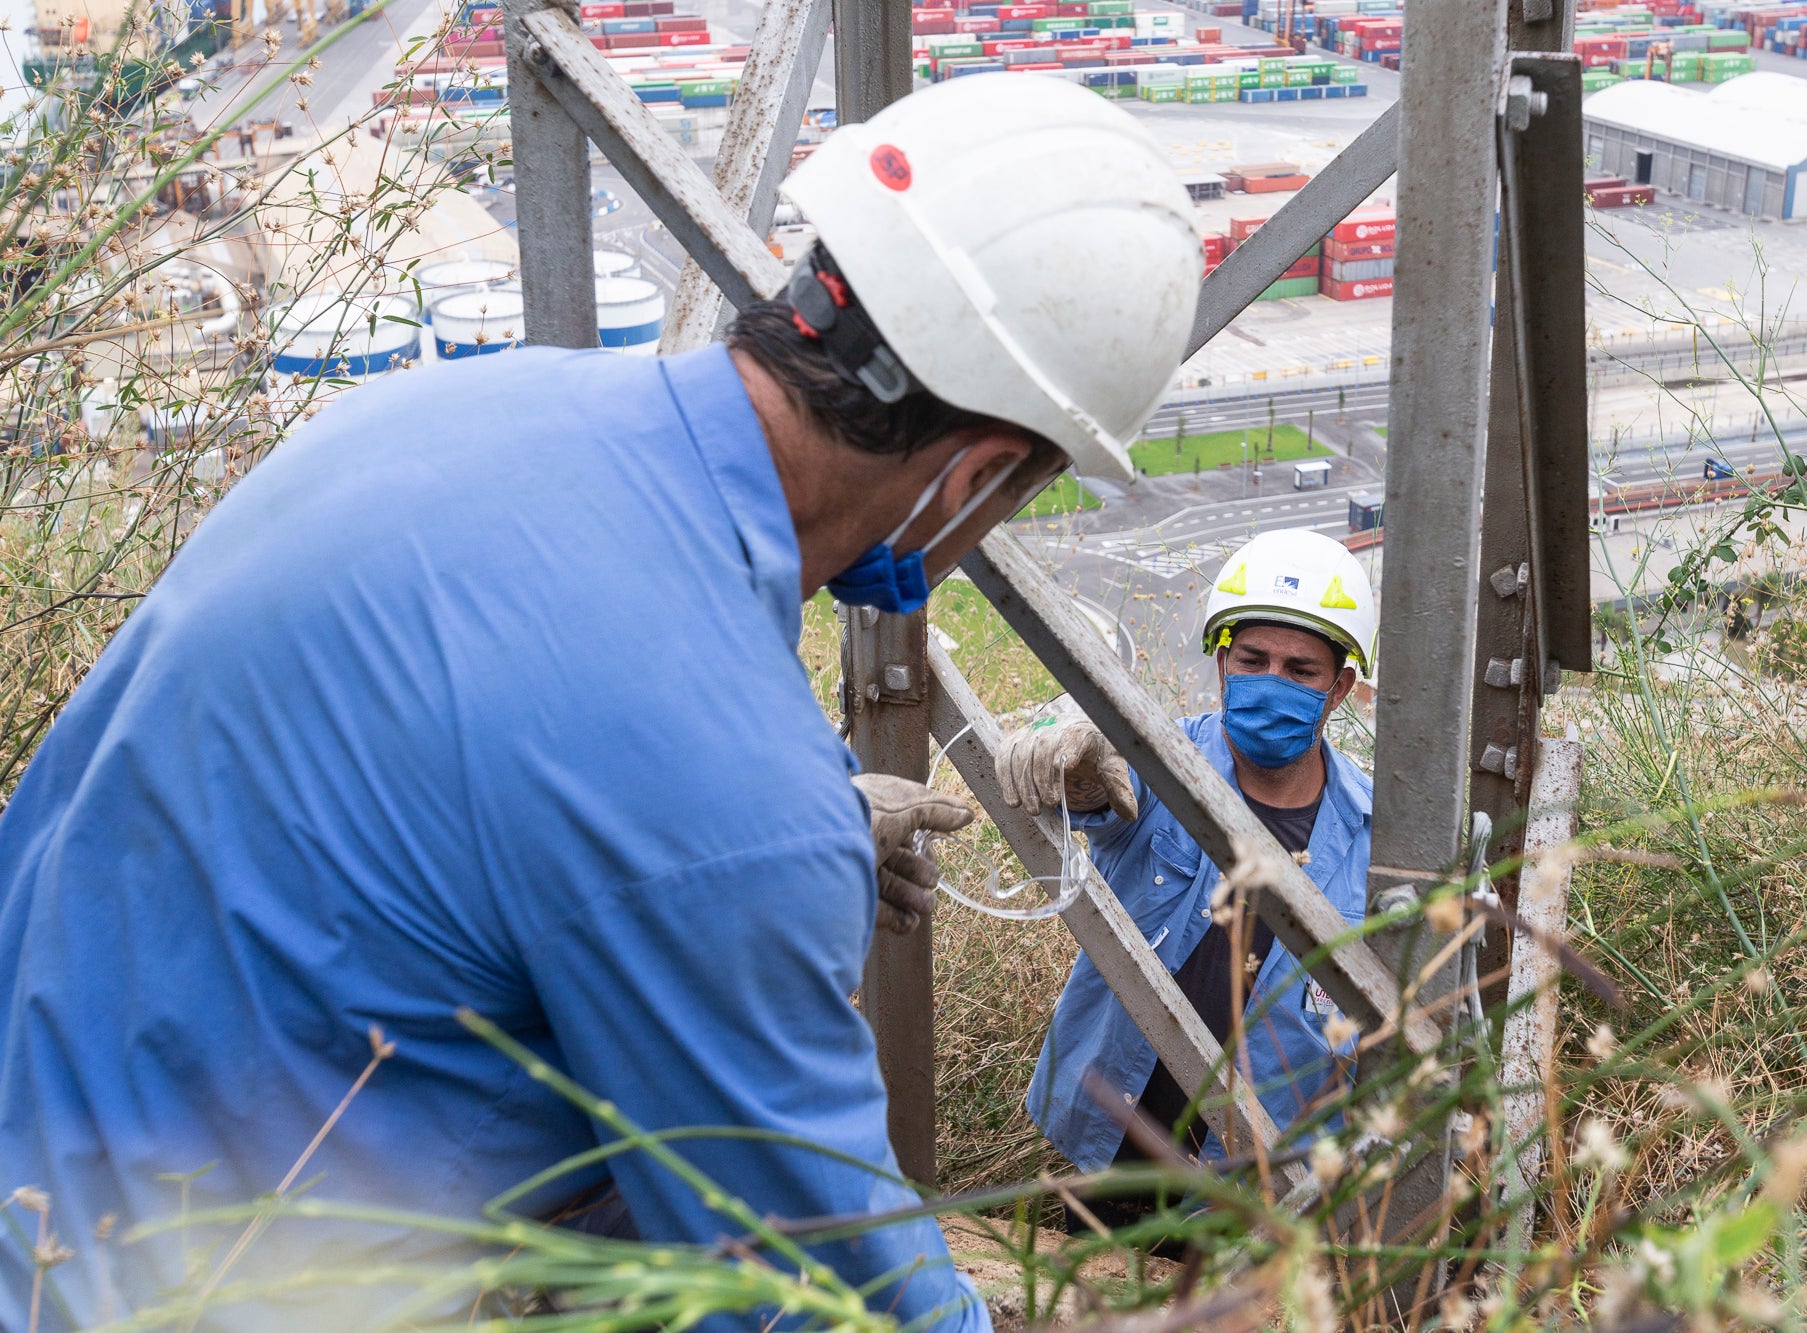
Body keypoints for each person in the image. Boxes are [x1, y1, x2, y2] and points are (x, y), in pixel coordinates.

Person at [0, 76, 1200, 1332]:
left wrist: (789, 840)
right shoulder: (713, 791)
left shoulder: (460, 412)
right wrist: (762, 857)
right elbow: (820, 1292)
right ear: (975, 476)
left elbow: (458, 795)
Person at [997, 529, 1378, 1185]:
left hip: (1265, 1180)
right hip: (1111, 1148)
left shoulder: (1374, 833)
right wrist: (1060, 742)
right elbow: (1079, 774)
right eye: (1252, 659)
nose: (1270, 681)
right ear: (1222, 660)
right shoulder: (1154, 762)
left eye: (1300, 670)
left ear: (1340, 688)